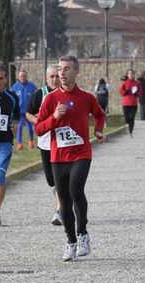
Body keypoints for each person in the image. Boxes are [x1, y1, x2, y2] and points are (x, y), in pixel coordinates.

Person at [35, 55, 106, 261]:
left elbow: (100, 115)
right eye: (60, 69)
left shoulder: (86, 97)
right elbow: (39, 129)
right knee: (64, 200)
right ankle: (71, 241)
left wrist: (98, 130)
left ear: (76, 72)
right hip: (58, 156)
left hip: (81, 153)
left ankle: (83, 232)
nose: (62, 73)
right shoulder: (50, 99)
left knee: (76, 189)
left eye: (67, 69)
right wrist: (54, 117)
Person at [26, 64, 63, 226]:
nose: (55, 79)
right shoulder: (40, 94)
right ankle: (60, 197)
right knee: (51, 180)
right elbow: (28, 113)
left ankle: (59, 211)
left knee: (61, 178)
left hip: (62, 143)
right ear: (47, 78)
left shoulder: (66, 93)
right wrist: (39, 121)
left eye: (57, 76)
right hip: (45, 142)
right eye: (51, 77)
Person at [0, 65, 20, 226]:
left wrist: (15, 125)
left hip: (4, 143)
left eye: (1, 78)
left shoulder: (12, 98)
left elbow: (16, 117)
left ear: (6, 79)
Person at [11, 70, 38, 150]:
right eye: (21, 76)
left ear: (26, 77)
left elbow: (37, 96)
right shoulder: (15, 87)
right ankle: (20, 144)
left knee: (30, 128)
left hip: (29, 112)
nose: (23, 78)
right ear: (18, 77)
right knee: (19, 127)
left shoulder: (31, 86)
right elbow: (11, 97)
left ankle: (31, 142)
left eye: (24, 76)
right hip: (20, 112)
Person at [120, 69, 142, 137]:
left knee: (132, 118)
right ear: (127, 75)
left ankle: (130, 131)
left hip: (133, 104)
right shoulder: (124, 83)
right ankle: (128, 125)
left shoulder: (137, 83)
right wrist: (125, 92)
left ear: (134, 75)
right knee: (127, 119)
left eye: (132, 74)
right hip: (126, 103)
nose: (131, 75)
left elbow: (140, 92)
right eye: (129, 74)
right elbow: (121, 92)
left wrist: (136, 94)